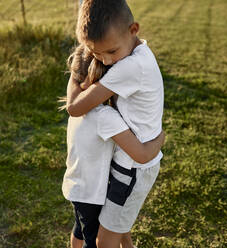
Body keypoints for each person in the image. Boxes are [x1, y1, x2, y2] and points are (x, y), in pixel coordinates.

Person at [66, 1, 165, 247]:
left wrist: (75, 73)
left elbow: (75, 107)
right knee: (118, 223)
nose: (107, 62)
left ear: (134, 29)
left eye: (111, 52)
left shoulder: (130, 67)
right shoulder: (140, 51)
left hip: (132, 166)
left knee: (104, 241)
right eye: (97, 54)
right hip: (129, 161)